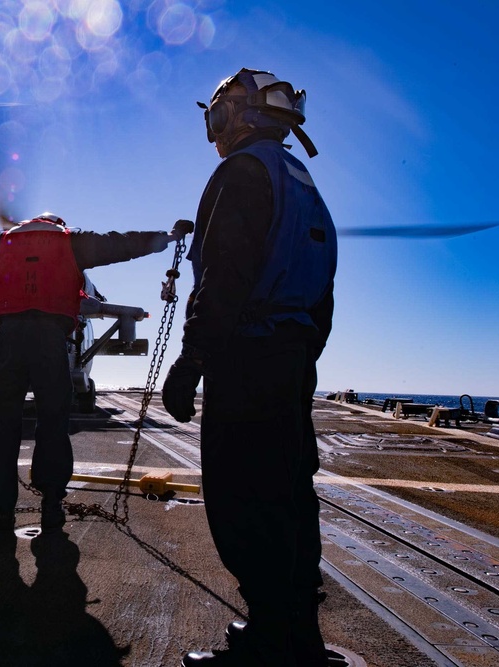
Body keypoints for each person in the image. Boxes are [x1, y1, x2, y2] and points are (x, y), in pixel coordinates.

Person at [161, 68, 337, 666]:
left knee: (243, 503)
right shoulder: (300, 178)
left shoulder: (241, 172)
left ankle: (267, 643)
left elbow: (225, 275)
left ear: (242, 113)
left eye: (217, 116)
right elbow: (325, 290)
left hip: (246, 359)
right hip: (291, 361)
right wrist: (301, 355)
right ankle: (300, 638)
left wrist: (193, 359)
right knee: (291, 499)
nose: (215, 130)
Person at [0, 215, 177, 532]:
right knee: (52, 424)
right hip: (49, 341)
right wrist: (168, 236)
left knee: (3, 426)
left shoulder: (3, 243)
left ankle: (3, 512)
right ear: (57, 224)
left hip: (7, 342)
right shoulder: (70, 241)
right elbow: (123, 243)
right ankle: (51, 504)